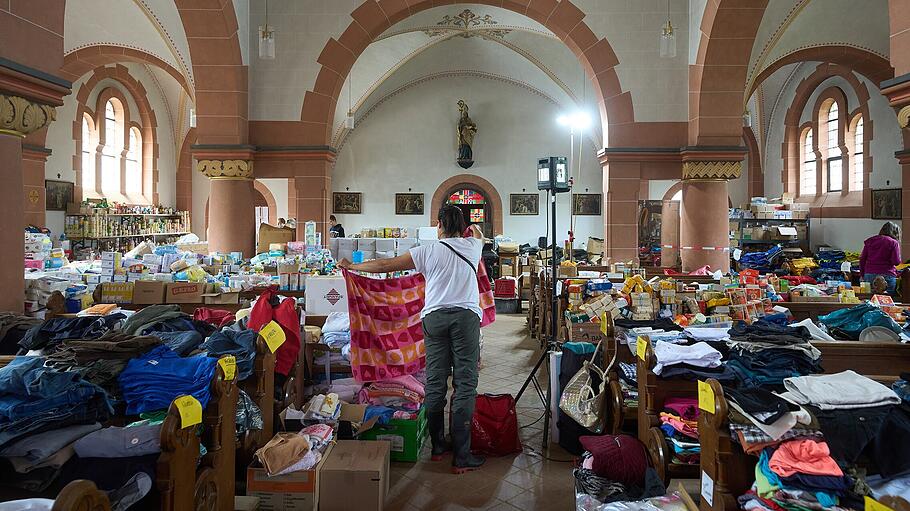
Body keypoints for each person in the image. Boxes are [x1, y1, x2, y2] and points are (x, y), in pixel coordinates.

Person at [338, 205, 486, 474]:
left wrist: (353, 266)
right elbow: (480, 234)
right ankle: (462, 456)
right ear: (462, 226)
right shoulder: (472, 246)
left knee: (436, 381)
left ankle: (439, 446)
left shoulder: (427, 250)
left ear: (439, 225)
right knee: (465, 383)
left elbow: (384, 265)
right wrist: (468, 231)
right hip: (465, 317)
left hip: (434, 319)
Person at [860, 221, 902, 295]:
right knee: (887, 300)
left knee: (870, 299)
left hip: (869, 274)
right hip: (887, 274)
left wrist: (863, 274)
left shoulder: (870, 241)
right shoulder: (893, 242)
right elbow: (896, 261)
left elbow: (862, 259)